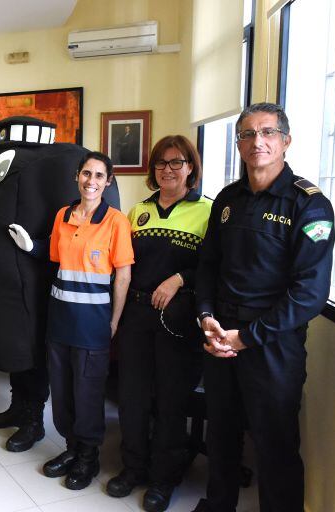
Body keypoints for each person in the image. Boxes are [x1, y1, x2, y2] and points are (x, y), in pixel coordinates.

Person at [193, 103, 335, 512]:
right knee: (220, 436)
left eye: (268, 132)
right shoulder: (227, 198)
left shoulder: (309, 205)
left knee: (275, 447)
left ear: (285, 141)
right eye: (248, 134)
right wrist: (206, 317)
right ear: (238, 144)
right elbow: (208, 265)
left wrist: (247, 338)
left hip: (272, 346)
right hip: (220, 338)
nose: (258, 142)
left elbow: (308, 294)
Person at [10, 151, 133, 490]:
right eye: (86, 174)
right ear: (77, 176)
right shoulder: (63, 215)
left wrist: (114, 321)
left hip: (93, 323)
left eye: (98, 176)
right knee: (62, 391)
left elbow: (122, 275)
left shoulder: (116, 222)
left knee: (87, 391)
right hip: (59, 319)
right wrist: (29, 244)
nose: (91, 181)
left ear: (108, 182)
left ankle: (88, 457)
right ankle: (71, 449)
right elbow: (54, 256)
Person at [106, 135, 211, 512]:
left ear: (191, 168)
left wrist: (180, 278)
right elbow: (122, 266)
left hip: (178, 321)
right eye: (161, 163)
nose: (168, 170)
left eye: (176, 162)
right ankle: (132, 468)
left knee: (170, 400)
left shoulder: (208, 211)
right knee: (131, 397)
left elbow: (215, 268)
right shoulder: (138, 212)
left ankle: (163, 479)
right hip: (136, 316)